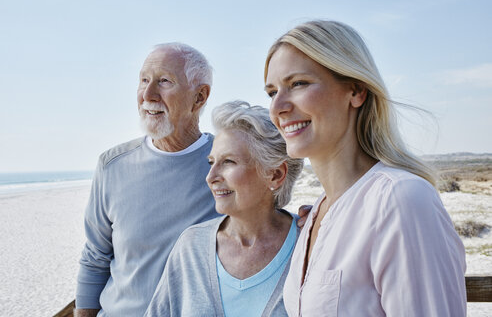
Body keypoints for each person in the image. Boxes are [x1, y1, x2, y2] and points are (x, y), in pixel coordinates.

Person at [264, 20, 467, 316]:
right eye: (271, 92)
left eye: (298, 84)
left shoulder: (401, 201)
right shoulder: (316, 215)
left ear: (356, 91)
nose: (277, 107)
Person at [74, 43, 221, 317]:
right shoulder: (112, 164)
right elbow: (95, 257)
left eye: (164, 81)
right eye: (143, 80)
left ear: (199, 97)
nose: (148, 94)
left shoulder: (227, 164)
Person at [144, 101, 304, 316]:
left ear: (275, 175)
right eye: (211, 162)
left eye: (228, 162)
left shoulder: (310, 244)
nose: (211, 177)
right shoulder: (192, 246)